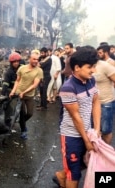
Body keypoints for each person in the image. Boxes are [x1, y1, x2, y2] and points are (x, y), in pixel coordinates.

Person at [53, 46, 101, 188]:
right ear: (77, 67)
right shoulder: (68, 87)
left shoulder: (91, 80)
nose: (93, 70)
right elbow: (75, 116)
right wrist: (86, 141)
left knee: (86, 162)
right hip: (71, 136)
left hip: (88, 131)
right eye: (89, 67)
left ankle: (60, 175)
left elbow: (96, 102)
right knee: (74, 174)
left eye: (94, 66)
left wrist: (97, 130)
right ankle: (64, 176)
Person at [9, 52, 43, 139]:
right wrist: (13, 91)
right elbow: (17, 81)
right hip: (19, 94)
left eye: (37, 59)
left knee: (30, 113)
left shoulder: (39, 71)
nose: (36, 61)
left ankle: (21, 122)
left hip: (29, 95)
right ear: (29, 59)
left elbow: (35, 85)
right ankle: (23, 130)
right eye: (34, 59)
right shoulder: (22, 68)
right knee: (22, 112)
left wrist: (24, 92)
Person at [94, 45, 115, 144]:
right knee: (96, 128)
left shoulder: (108, 64)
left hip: (106, 102)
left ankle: (106, 152)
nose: (99, 54)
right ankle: (98, 151)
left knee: (106, 130)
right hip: (94, 103)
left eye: (100, 52)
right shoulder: (90, 66)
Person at [0, 52, 22, 127]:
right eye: (14, 62)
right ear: (11, 63)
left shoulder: (22, 69)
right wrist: (2, 94)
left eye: (17, 61)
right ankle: (7, 121)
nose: (16, 63)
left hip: (21, 91)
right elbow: (5, 84)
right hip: (11, 92)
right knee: (9, 107)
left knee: (20, 109)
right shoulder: (9, 72)